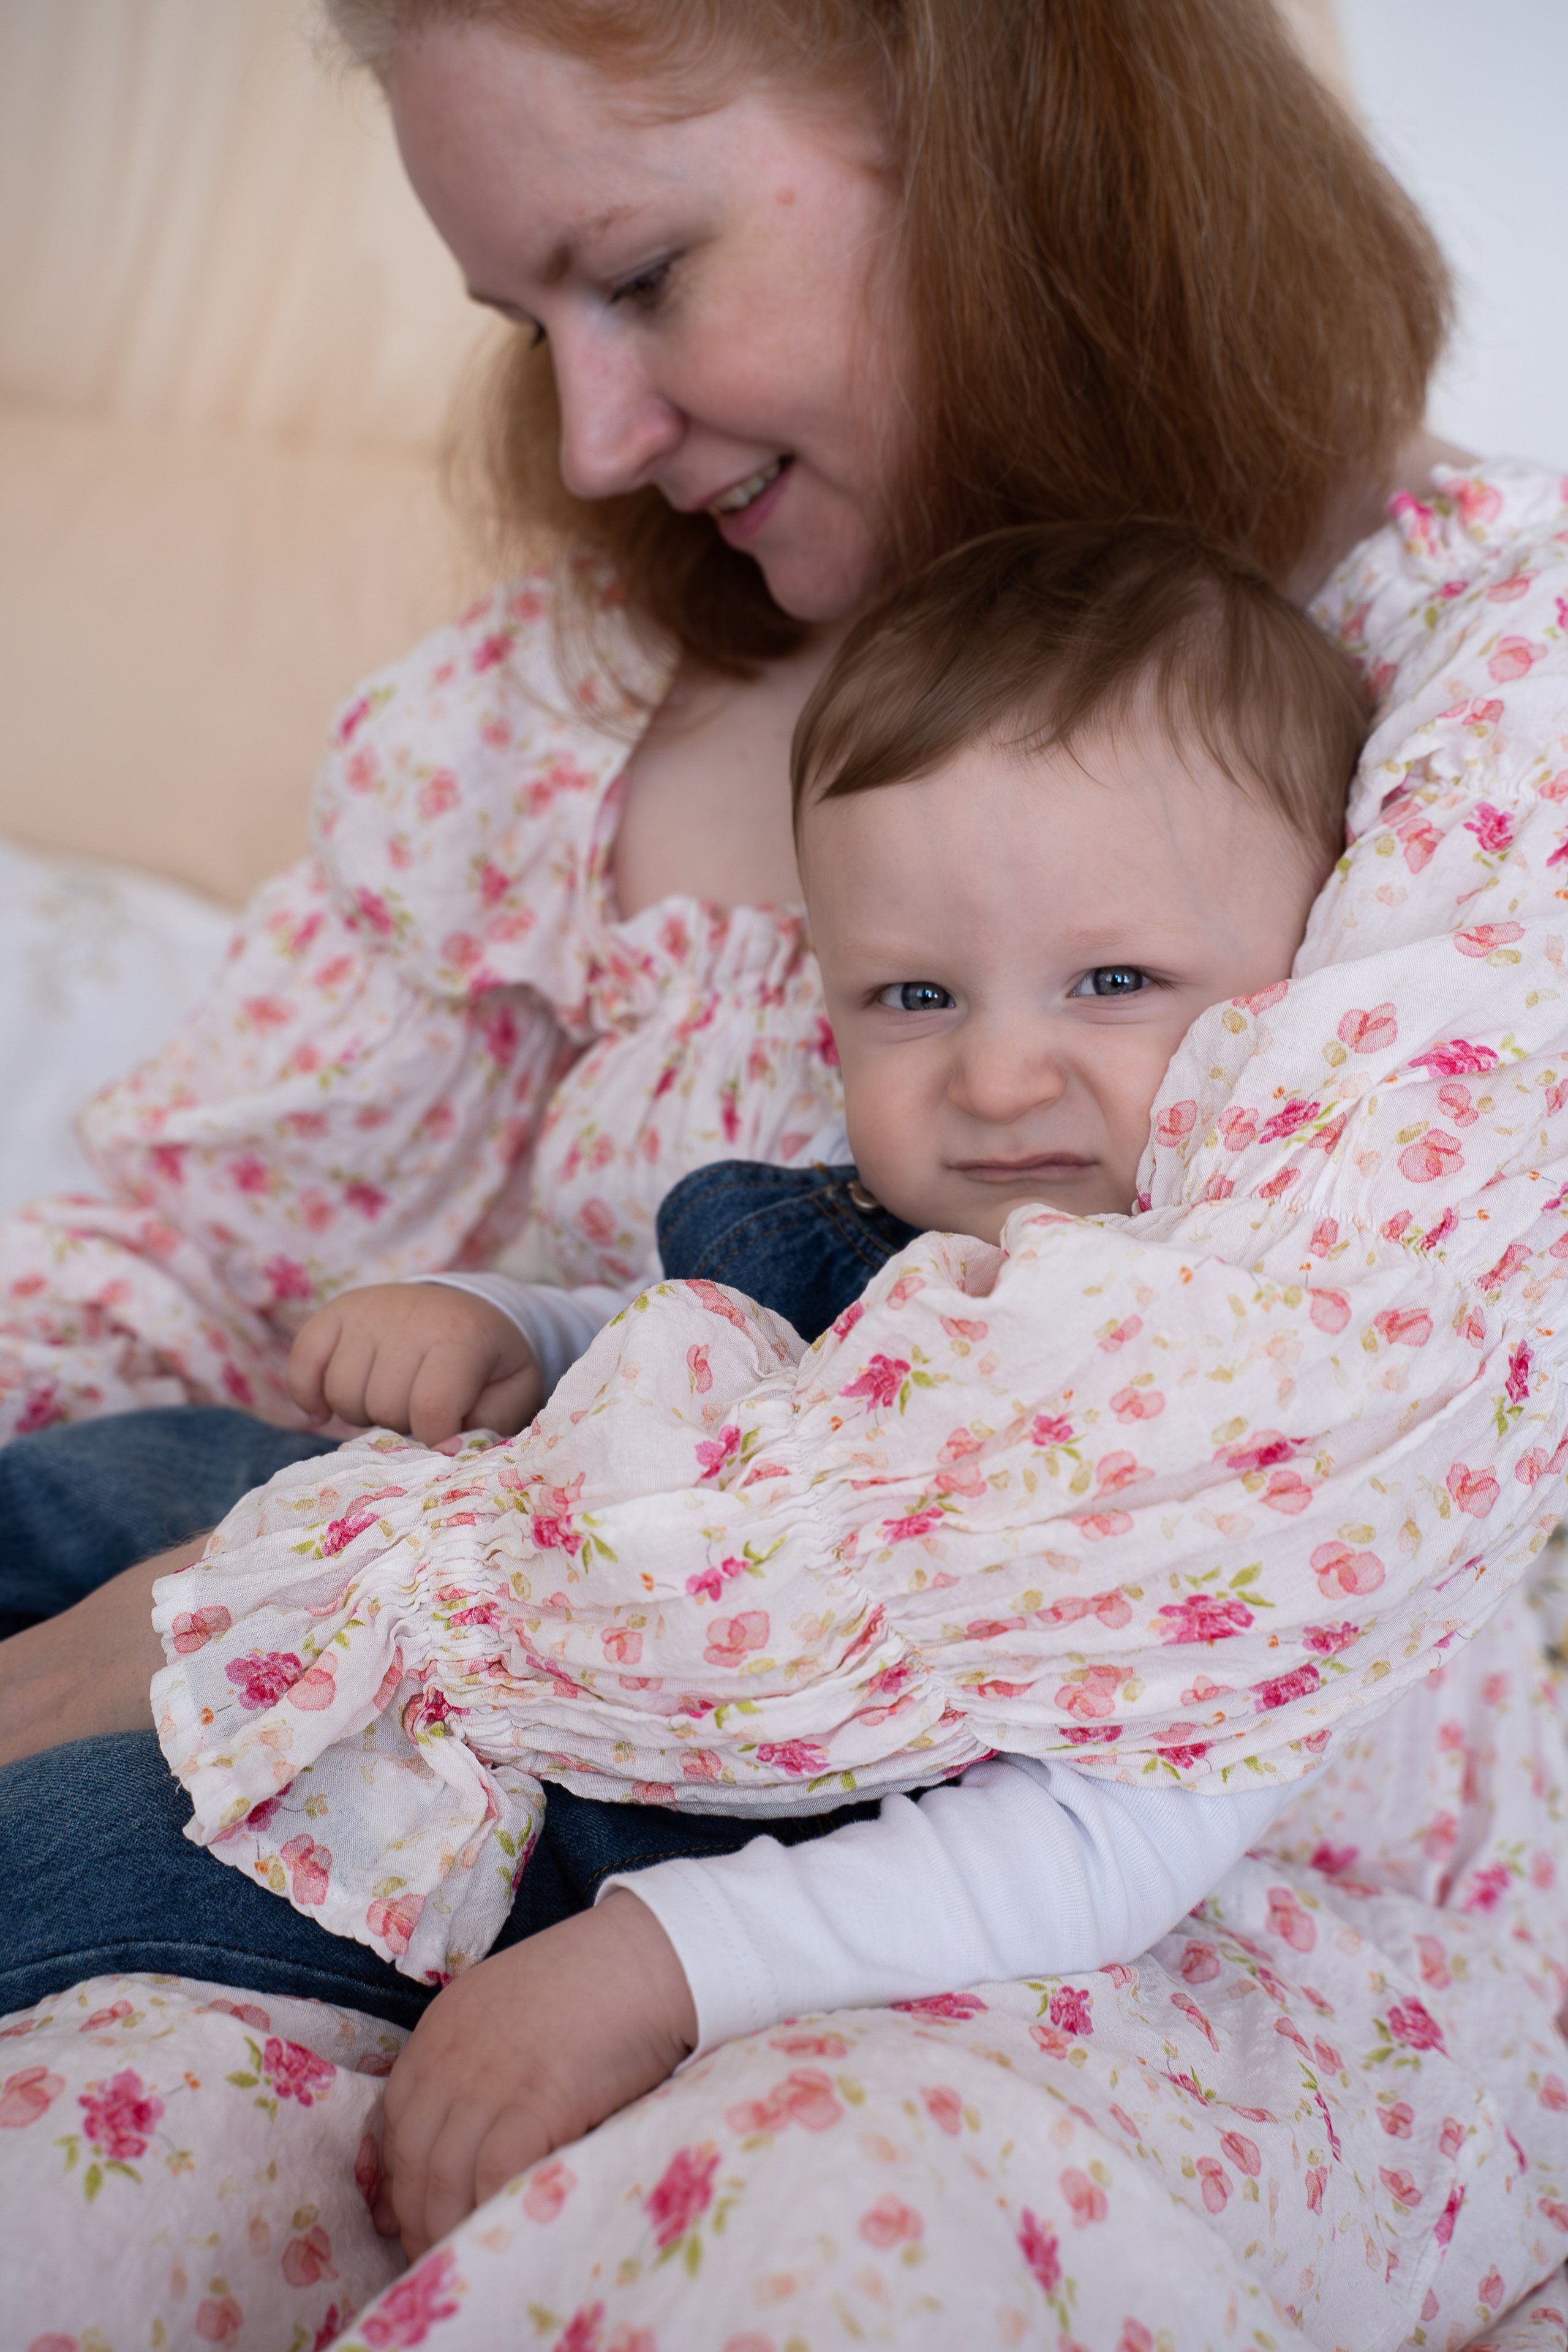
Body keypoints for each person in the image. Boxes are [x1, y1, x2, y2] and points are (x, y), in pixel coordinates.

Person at [2, 2, 1566, 2337]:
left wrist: (288, 1614)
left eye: (634, 270)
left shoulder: (1481, 695)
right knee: (79, 2165)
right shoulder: (555, 695)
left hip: (1158, 1910)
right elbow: (206, 1255)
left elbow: (1199, 1477)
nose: (595, 437)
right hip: (469, 1737)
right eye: (525, 322)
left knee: (789, 2234)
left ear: (1007, 114)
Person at [150, 523, 1366, 1982]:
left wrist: (671, 1962)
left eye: (1112, 982)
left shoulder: (1232, 1391)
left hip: (665, 1834)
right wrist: (508, 1329)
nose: (991, 1080)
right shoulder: (868, 1233)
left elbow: (1098, 1849)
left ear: (1307, 975)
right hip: (500, 1575)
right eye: (912, 994)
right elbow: (681, 1343)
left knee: (97, 1843)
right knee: (147, 1470)